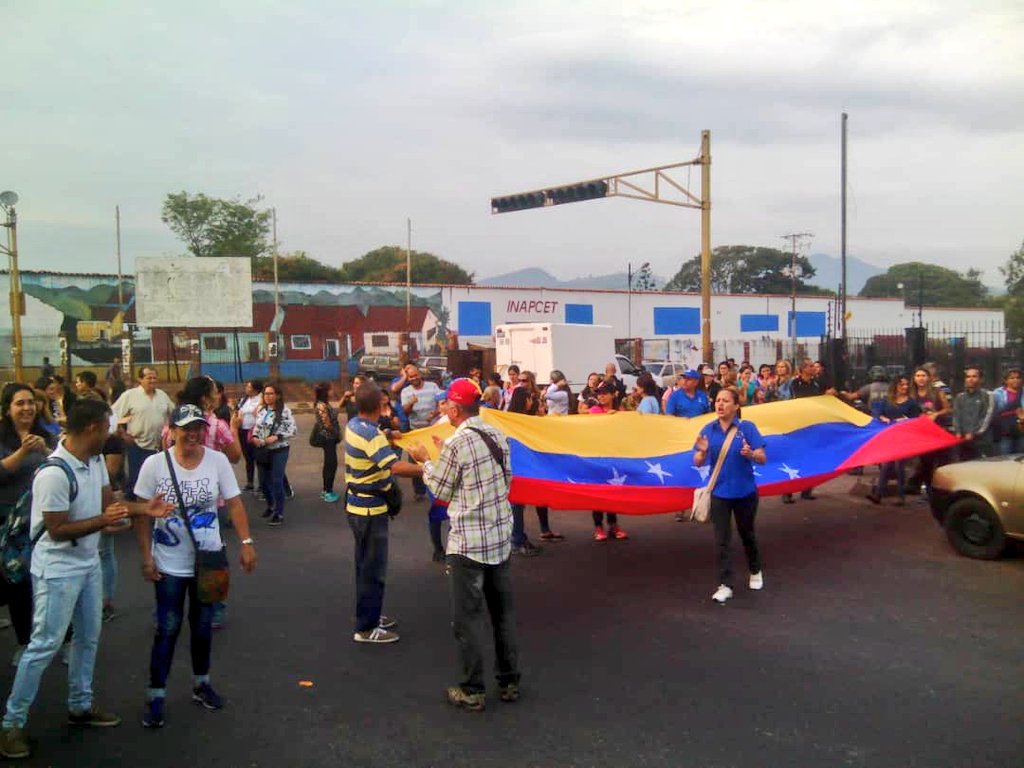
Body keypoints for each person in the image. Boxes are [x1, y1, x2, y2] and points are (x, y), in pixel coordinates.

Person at [0, 399, 171, 760]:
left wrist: (143, 509)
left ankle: (80, 706)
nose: (111, 433)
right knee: (44, 645)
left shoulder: (93, 461)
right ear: (92, 428)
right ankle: (12, 724)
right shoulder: (53, 473)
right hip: (58, 571)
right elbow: (57, 529)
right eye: (108, 426)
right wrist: (103, 522)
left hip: (88, 563)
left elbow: (108, 502)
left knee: (88, 638)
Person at [133, 404, 257, 728]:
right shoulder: (154, 465)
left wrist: (246, 543)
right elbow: (142, 515)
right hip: (170, 564)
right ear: (171, 430)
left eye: (197, 428)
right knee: (168, 628)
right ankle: (156, 695)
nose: (192, 434)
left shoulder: (216, 461)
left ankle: (201, 684)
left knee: (202, 628)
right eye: (185, 427)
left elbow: (233, 503)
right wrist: (147, 558)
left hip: (209, 561)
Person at [407, 379, 521, 712]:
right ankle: (510, 680)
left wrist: (425, 459)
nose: (442, 408)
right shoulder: (496, 434)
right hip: (499, 539)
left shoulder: (457, 443)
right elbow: (506, 479)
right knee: (503, 614)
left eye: (445, 405)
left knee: (468, 619)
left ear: (455, 409)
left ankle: (472, 689)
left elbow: (441, 488)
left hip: (468, 544)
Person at [343, 381, 423, 644]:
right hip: (370, 510)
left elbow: (373, 445)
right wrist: (428, 466)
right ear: (380, 405)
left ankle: (370, 614)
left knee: (364, 564)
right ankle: (366, 628)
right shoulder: (372, 435)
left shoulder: (355, 425)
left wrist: (389, 437)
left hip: (357, 506)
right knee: (373, 568)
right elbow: (395, 467)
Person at [0, 384, 59, 666]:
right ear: (7, 409)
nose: (27, 408)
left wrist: (46, 449)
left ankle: (58, 638)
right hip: (9, 525)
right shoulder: (2, 439)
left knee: (49, 579)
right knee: (18, 584)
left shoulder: (47, 435)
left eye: (30, 403)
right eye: (19, 403)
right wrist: (22, 452)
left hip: (42, 521)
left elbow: (61, 466)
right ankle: (25, 642)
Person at [692, 386, 767, 605]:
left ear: (736, 405)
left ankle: (755, 571)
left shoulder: (747, 428)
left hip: (745, 492)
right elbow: (696, 461)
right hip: (719, 493)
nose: (720, 404)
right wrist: (703, 451)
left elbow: (762, 457)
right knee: (722, 540)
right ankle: (725, 584)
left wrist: (751, 453)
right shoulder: (709, 429)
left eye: (725, 401)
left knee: (747, 534)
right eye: (717, 401)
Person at [508, 371, 561, 550]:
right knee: (516, 505)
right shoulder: (516, 421)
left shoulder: (524, 420)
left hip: (523, 468)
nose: (531, 402)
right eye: (528, 399)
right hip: (517, 470)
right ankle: (517, 540)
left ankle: (521, 537)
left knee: (522, 503)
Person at [112, 367, 175, 501]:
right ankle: (132, 509)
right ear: (140, 379)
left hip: (158, 446)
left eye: (154, 378)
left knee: (156, 479)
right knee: (136, 478)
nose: (152, 381)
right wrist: (123, 435)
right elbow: (113, 416)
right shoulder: (129, 395)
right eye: (148, 378)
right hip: (136, 445)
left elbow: (173, 413)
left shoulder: (162, 395)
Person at [867, 375, 922, 506]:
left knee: (899, 465)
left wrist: (906, 419)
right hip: (890, 436)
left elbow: (916, 419)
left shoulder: (912, 403)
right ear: (895, 386)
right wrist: (882, 417)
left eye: (906, 384)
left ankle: (901, 496)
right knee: (886, 465)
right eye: (901, 384)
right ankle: (879, 494)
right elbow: (878, 412)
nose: (905, 387)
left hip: (904, 437)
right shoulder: (888, 400)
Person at [250, 383, 296, 527]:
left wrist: (277, 437)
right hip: (263, 450)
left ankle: (279, 513)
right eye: (265, 394)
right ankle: (270, 505)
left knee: (277, 480)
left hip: (279, 450)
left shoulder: (284, 411)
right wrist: (255, 437)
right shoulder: (262, 410)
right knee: (263, 482)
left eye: (271, 393)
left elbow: (293, 430)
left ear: (278, 395)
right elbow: (256, 428)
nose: (268, 396)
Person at [588, 381, 628, 541]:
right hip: (596, 457)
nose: (601, 396)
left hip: (614, 457)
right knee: (597, 493)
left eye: (605, 393)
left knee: (612, 491)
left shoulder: (620, 412)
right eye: (599, 393)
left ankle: (613, 525)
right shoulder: (595, 410)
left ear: (613, 394)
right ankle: (598, 527)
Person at [782, 359, 823, 505]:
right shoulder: (794, 384)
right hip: (796, 425)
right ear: (803, 369)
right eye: (811, 366)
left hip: (810, 425)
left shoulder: (815, 384)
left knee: (809, 457)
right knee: (793, 459)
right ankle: (787, 491)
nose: (814, 368)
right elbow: (794, 401)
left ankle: (807, 490)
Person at [952, 367, 995, 461]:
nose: (970, 379)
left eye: (974, 376)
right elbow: (956, 416)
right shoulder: (960, 397)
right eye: (968, 377)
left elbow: (987, 417)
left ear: (980, 379)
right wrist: (958, 432)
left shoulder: (988, 395)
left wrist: (973, 433)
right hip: (963, 441)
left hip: (982, 441)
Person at [312, 382, 342, 503]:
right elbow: (327, 424)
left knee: (330, 464)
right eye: (330, 390)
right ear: (325, 392)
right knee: (331, 464)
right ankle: (327, 491)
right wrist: (337, 433)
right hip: (328, 439)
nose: (332, 391)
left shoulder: (324, 404)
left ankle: (326, 490)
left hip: (329, 438)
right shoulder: (321, 405)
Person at [235, 379, 263, 492]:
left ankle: (262, 484)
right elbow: (239, 411)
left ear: (255, 389)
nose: (246, 388)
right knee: (248, 457)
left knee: (259, 458)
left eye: (249, 387)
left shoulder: (261, 399)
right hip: (244, 431)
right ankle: (250, 482)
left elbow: (258, 413)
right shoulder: (244, 399)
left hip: (256, 432)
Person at [991, 368, 1024, 456]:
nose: (1015, 380)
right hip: (1004, 433)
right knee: (1005, 459)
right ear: (1006, 380)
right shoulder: (997, 394)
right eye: (1012, 378)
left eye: (1018, 378)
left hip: (1021, 431)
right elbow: (993, 412)